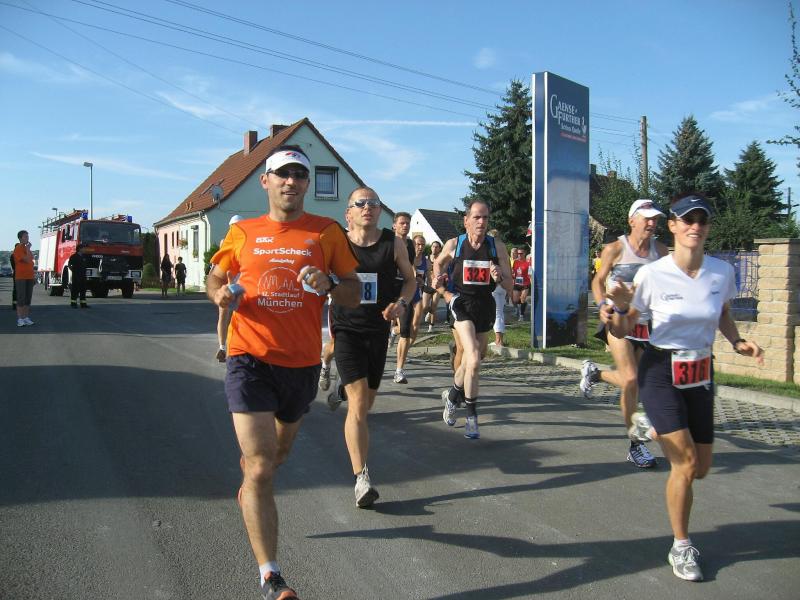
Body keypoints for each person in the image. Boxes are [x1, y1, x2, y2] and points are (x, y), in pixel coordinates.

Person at [206, 145, 360, 600]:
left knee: (277, 456)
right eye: (282, 174)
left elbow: (354, 293)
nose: (291, 181)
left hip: (301, 364)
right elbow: (215, 277)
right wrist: (219, 295)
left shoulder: (326, 232)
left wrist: (331, 283)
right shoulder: (243, 231)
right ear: (266, 181)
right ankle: (272, 577)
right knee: (259, 466)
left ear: (307, 184)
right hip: (249, 357)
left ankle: (253, 484)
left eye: (299, 175)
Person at [607, 193, 764, 582]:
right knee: (686, 463)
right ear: (673, 226)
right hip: (661, 369)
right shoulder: (653, 274)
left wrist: (737, 341)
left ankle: (650, 427)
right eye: (687, 220)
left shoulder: (720, 272)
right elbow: (624, 330)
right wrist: (622, 308)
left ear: (708, 227)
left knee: (702, 468)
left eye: (702, 220)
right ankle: (681, 546)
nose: (695, 226)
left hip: (701, 372)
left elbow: (722, 312)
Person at [327, 187, 415, 506]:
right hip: (346, 329)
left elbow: (410, 280)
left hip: (377, 330)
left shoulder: (393, 243)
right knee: (359, 403)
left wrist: (401, 304)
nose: (368, 207)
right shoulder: (336, 242)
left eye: (374, 203)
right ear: (348, 213)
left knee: (367, 403)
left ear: (380, 211)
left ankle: (340, 390)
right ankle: (361, 478)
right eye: (360, 203)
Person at [579, 199, 670, 469]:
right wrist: (602, 305)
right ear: (632, 220)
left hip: (646, 325)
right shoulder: (615, 249)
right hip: (618, 320)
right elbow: (597, 281)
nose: (652, 223)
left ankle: (595, 374)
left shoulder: (661, 251)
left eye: (655, 219)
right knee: (631, 379)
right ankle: (636, 445)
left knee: (637, 383)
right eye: (647, 218)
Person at [434, 200, 512, 439]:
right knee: (474, 358)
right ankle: (471, 418)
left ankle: (453, 396)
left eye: (485, 217)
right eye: (477, 217)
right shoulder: (455, 244)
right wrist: (443, 289)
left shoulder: (496, 247)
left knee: (472, 360)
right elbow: (437, 264)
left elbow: (509, 283)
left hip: (484, 305)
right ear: (466, 220)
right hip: (461, 304)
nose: (481, 222)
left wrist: (499, 277)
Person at [394, 234, 429, 384]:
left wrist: (424, 283)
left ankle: (401, 362)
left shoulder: (425, 261)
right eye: (418, 244)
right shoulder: (405, 256)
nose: (420, 247)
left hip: (415, 293)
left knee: (414, 327)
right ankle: (399, 368)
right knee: (405, 329)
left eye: (422, 244)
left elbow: (426, 276)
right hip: (401, 293)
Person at [215, 215, 245, 362]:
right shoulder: (225, 242)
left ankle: (234, 346)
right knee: (224, 313)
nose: (236, 229)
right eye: (234, 226)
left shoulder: (247, 241)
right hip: (227, 281)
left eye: (238, 226)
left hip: (241, 281)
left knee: (240, 315)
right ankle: (222, 347)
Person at [388, 212, 414, 346]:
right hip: (387, 289)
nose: (405, 226)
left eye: (408, 223)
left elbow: (411, 267)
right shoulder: (388, 243)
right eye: (402, 223)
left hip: (404, 289)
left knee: (405, 329)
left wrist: (417, 278)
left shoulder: (410, 245)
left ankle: (394, 331)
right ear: (394, 226)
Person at [13, 230, 35, 327]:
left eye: (27, 236)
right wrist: (28, 249)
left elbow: (31, 260)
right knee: (21, 298)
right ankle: (20, 319)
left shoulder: (27, 249)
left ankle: (26, 317)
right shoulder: (18, 248)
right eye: (25, 236)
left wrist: (28, 249)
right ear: (20, 238)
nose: (27, 238)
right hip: (21, 276)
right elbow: (26, 259)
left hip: (30, 276)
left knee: (28, 298)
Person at [489, 230, 507, 347]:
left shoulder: (491, 251)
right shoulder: (503, 250)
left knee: (496, 313)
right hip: (503, 284)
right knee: (499, 312)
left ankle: (498, 341)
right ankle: (499, 339)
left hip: (495, 284)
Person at [423, 240, 443, 332]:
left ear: (440, 249)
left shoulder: (441, 259)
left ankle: (431, 327)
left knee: (434, 307)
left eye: (436, 247)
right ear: (431, 248)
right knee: (425, 307)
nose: (434, 248)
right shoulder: (426, 258)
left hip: (437, 286)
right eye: (433, 246)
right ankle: (428, 312)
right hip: (427, 285)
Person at [511, 247, 532, 321]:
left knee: (522, 298)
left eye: (521, 253)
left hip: (525, 284)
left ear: (524, 253)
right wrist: (512, 277)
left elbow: (530, 274)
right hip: (517, 283)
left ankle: (521, 315)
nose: (519, 255)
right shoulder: (515, 262)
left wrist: (531, 282)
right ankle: (524, 304)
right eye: (518, 253)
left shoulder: (528, 263)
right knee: (515, 300)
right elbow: (514, 272)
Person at [67, 244, 89, 309]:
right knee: (75, 290)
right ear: (79, 249)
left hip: (83, 276)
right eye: (83, 248)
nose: (85, 249)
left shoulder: (84, 257)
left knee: (83, 290)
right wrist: (74, 271)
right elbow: (69, 265)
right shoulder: (74, 256)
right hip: (76, 276)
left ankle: (83, 304)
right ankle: (73, 303)